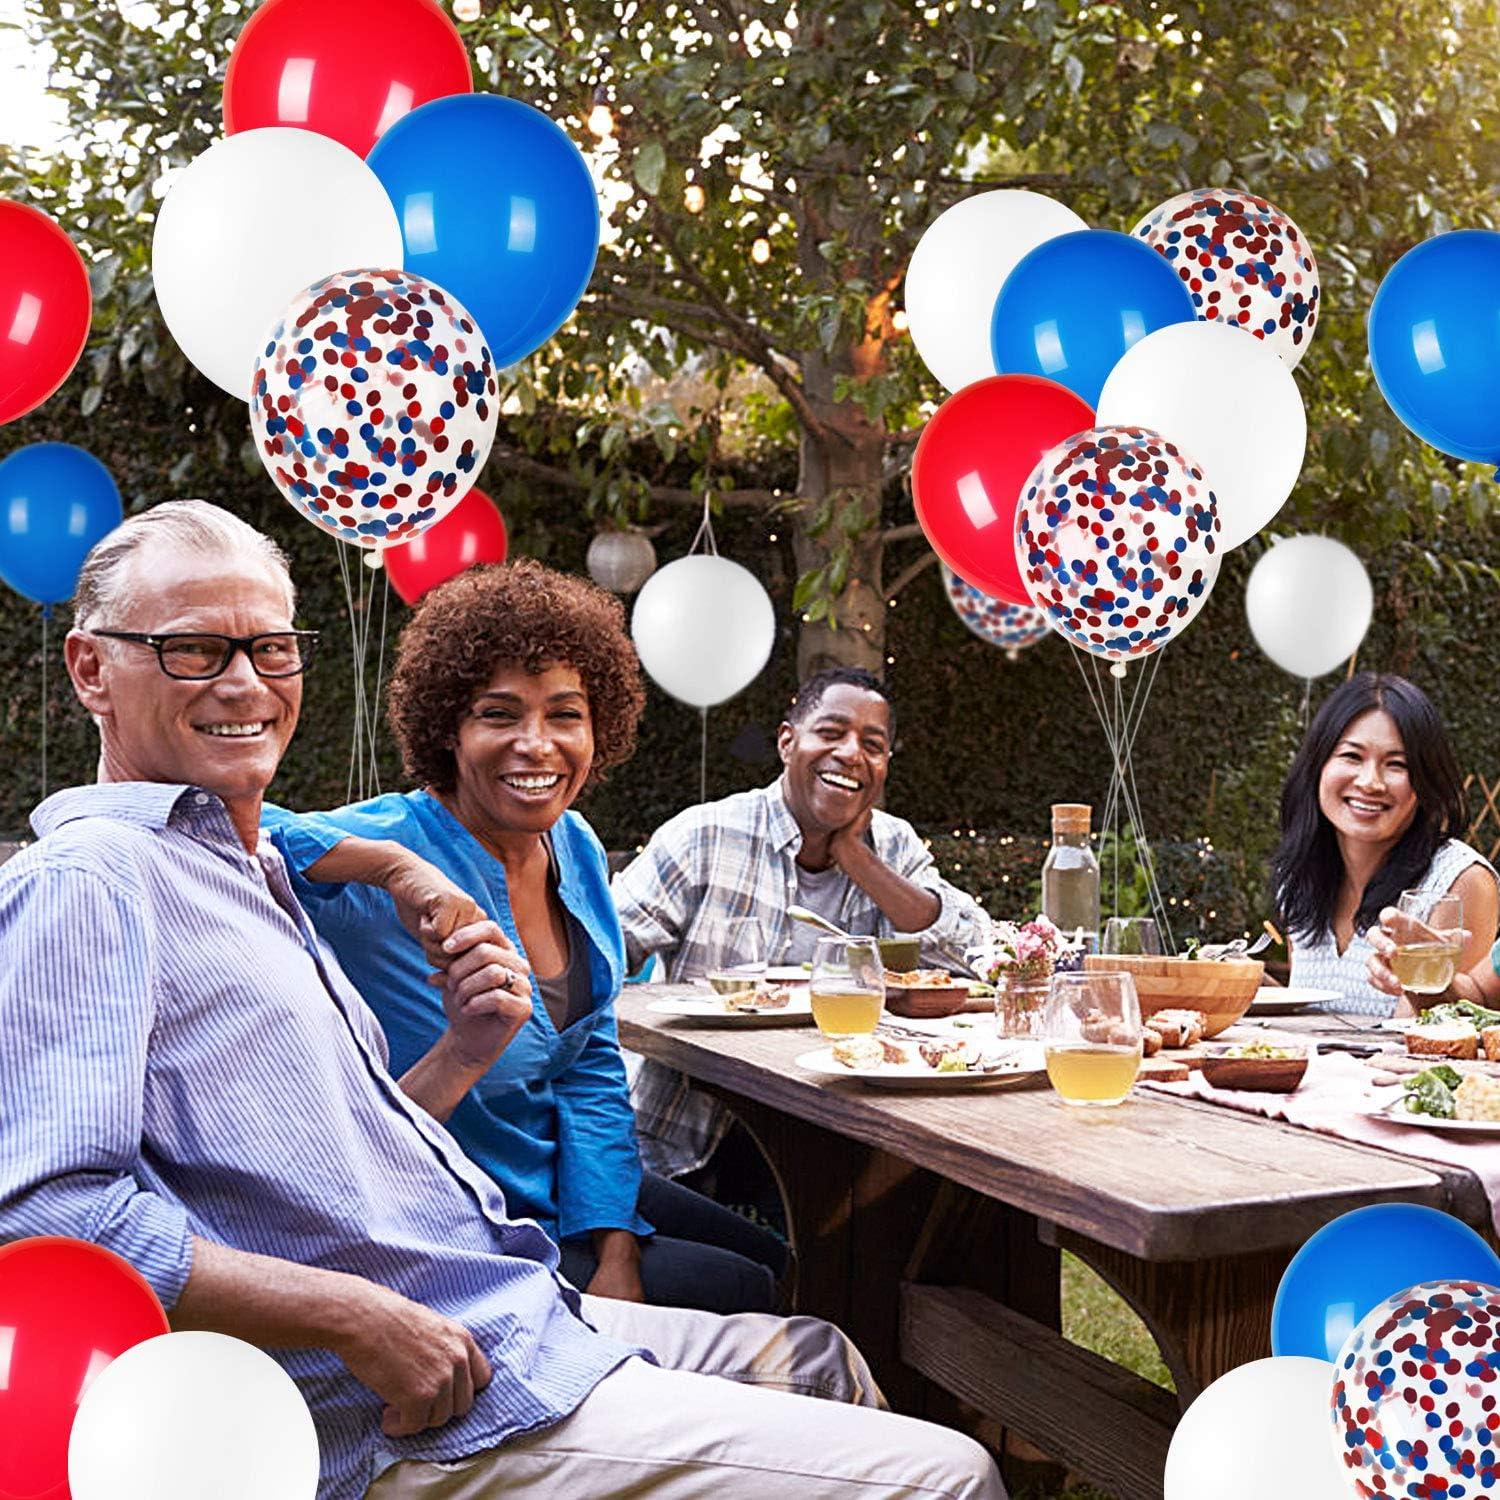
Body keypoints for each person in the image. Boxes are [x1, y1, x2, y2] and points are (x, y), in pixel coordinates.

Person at [0, 500, 1005, 1500]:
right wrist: (358, 1317)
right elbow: (47, 1218)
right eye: (191, 650)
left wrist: (469, 1054)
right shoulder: (95, 881)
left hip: (496, 1296)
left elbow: (403, 1131)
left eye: (271, 648)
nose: (244, 683)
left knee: (823, 1351)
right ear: (90, 669)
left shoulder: (239, 867)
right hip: (418, 1393)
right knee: (946, 1475)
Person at [262, 560, 788, 1315]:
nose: (536, 744)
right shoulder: (393, 841)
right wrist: (395, 869)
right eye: (499, 714)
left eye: (565, 714)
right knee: (747, 1286)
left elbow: (590, 1064)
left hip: (558, 1174)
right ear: (449, 730)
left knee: (774, 1256)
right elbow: (220, 818)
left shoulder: (573, 844)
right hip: (461, 1209)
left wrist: (613, 1245)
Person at [614, 666, 991, 1176]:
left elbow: (980, 957)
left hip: (842, 1134)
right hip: (689, 1129)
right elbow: (597, 955)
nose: (851, 753)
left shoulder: (893, 844)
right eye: (831, 732)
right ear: (788, 742)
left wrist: (859, 860)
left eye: (872, 745)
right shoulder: (705, 836)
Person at [1269, 672, 1497, 1018]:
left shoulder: (1460, 880)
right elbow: (1312, 1016)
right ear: (1318, 765)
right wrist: (1238, 981)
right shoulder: (1299, 876)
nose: (1370, 782)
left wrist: (1419, 970)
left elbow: (1436, 1029)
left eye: (1397, 764)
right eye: (1352, 756)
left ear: (1425, 780)